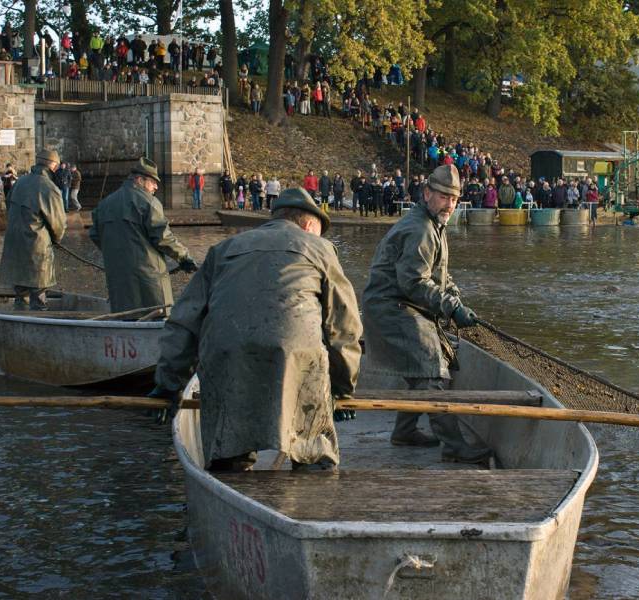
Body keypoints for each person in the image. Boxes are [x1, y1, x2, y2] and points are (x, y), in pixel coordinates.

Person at [151, 188, 362, 472]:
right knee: (313, 448)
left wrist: (168, 385)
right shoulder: (320, 249)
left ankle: (230, 466)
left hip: (226, 359)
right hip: (297, 360)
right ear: (310, 224)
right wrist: (342, 388)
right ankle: (312, 466)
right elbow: (344, 327)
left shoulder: (222, 250)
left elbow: (184, 322)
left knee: (228, 449)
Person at [361, 165, 490, 464]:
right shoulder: (420, 228)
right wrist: (451, 307)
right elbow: (413, 283)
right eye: (444, 196)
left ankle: (404, 432)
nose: (449, 204)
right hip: (391, 307)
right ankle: (455, 446)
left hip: (402, 304)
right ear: (427, 193)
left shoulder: (434, 224)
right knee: (431, 371)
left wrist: (453, 295)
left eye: (454, 199)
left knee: (421, 368)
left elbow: (438, 274)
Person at [88, 157, 197, 313]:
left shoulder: (104, 204)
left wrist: (115, 251)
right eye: (153, 182)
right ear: (139, 179)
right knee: (158, 315)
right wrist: (184, 257)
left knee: (124, 316)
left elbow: (95, 234)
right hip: (149, 278)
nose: (156, 187)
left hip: (117, 276)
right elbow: (163, 237)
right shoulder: (148, 202)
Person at [0, 149, 66, 311]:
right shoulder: (49, 188)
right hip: (37, 246)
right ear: (53, 166)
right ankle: (40, 327)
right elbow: (58, 224)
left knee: (21, 293)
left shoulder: (20, 182)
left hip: (14, 243)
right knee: (39, 293)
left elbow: (8, 203)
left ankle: (20, 324)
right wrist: (56, 240)